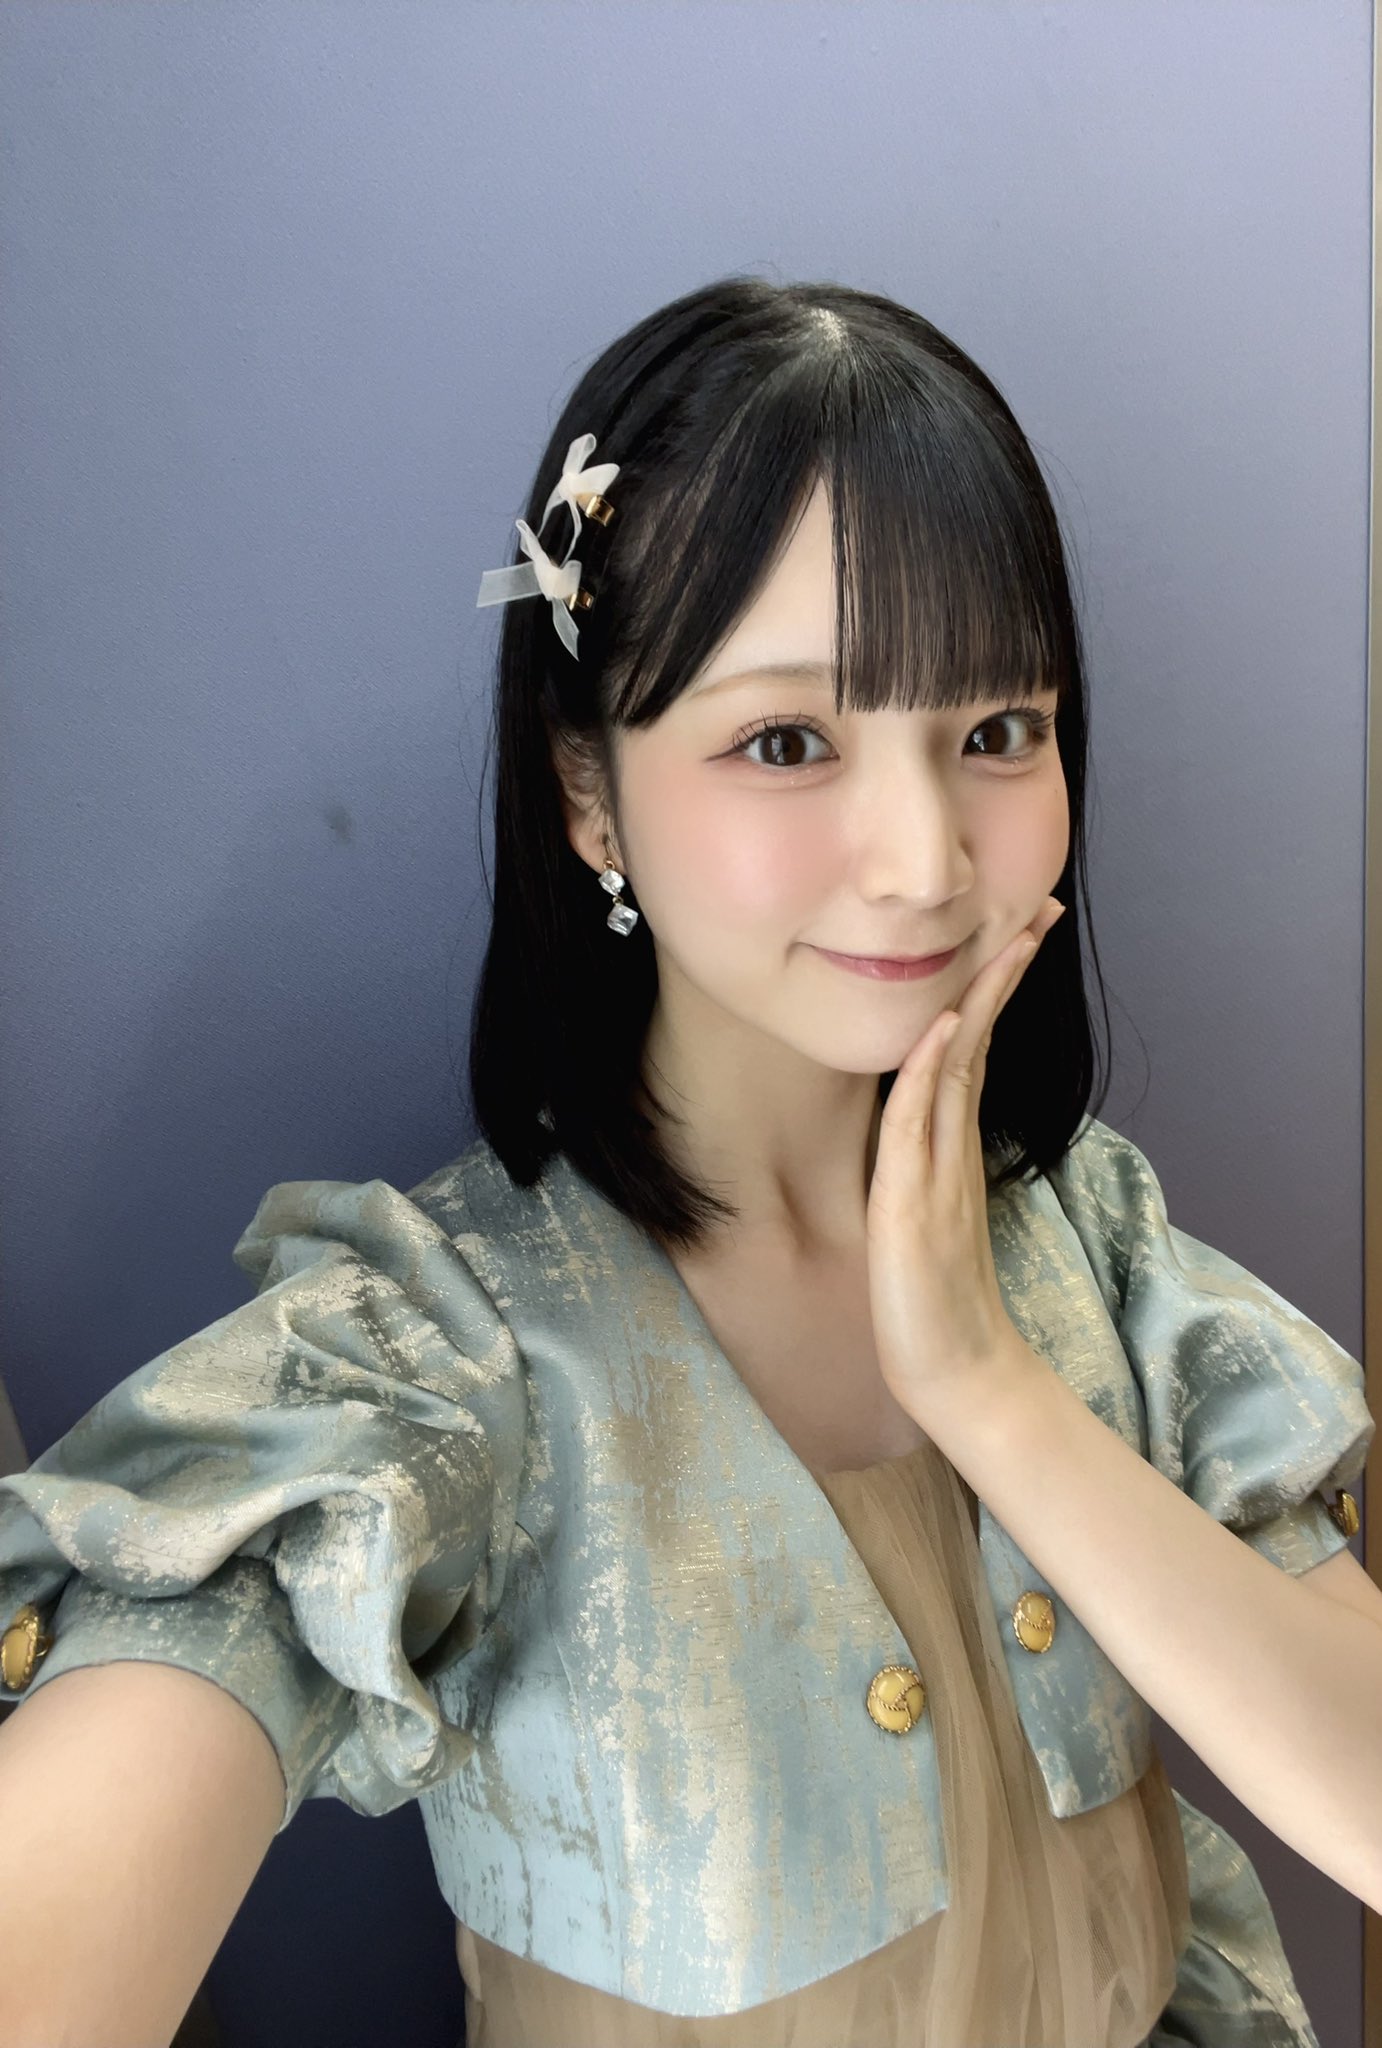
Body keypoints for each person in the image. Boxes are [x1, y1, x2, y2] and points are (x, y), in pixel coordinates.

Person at [0, 274, 1375, 2048]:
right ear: (589, 791)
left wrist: (986, 1386)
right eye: (785, 742)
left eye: (996, 732)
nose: (922, 859)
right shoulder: (440, 1357)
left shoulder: (1094, 1240)